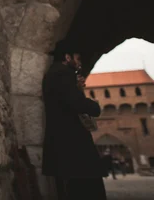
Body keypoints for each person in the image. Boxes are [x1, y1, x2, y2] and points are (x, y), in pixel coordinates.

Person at [42, 40, 106, 200]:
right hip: (71, 142)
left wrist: (76, 87)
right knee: (87, 187)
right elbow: (74, 102)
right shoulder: (62, 73)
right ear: (67, 57)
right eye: (77, 59)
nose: (79, 63)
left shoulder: (56, 74)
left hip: (65, 143)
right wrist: (94, 106)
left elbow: (64, 99)